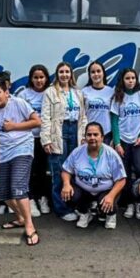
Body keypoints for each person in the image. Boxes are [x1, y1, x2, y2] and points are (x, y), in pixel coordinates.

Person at [0, 77, 42, 246]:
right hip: (4, 154)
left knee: (18, 188)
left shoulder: (19, 103)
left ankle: (30, 226)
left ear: (6, 92)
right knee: (4, 193)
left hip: (22, 149)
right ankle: (20, 218)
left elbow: (37, 122)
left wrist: (14, 126)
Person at [40, 61, 88, 221]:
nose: (64, 75)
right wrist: (46, 139)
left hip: (75, 130)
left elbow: (83, 117)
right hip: (58, 132)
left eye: (67, 72)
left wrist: (83, 136)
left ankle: (74, 205)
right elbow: (45, 117)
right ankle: (61, 209)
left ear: (71, 74)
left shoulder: (78, 92)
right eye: (61, 72)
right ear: (57, 74)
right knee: (59, 171)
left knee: (74, 169)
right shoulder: (50, 92)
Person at [61, 123, 126, 230]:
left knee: (107, 202)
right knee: (70, 194)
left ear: (102, 137)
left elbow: (122, 180)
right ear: (85, 137)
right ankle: (85, 213)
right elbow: (66, 170)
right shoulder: (77, 152)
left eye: (96, 134)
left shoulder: (111, 154)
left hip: (106, 190)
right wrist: (66, 184)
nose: (92, 138)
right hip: (84, 189)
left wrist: (111, 196)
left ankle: (110, 215)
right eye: (89, 135)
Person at [111, 67, 140, 220]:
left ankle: (138, 203)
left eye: (133, 78)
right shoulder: (118, 97)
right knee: (125, 173)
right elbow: (114, 121)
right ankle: (128, 203)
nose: (130, 81)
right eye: (127, 78)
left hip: (138, 141)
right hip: (123, 141)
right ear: (123, 80)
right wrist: (117, 143)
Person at [17, 64, 52, 217]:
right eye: (36, 77)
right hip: (28, 138)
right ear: (31, 78)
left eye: (42, 77)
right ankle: (30, 199)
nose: (39, 80)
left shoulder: (51, 93)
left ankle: (42, 198)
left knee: (43, 170)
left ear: (46, 78)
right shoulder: (24, 95)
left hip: (45, 139)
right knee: (29, 171)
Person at [82, 61, 115, 146]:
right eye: (93, 72)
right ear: (89, 75)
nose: (96, 74)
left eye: (98, 71)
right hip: (90, 134)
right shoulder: (84, 91)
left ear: (103, 73)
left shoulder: (111, 92)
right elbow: (81, 115)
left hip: (106, 134)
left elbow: (114, 115)